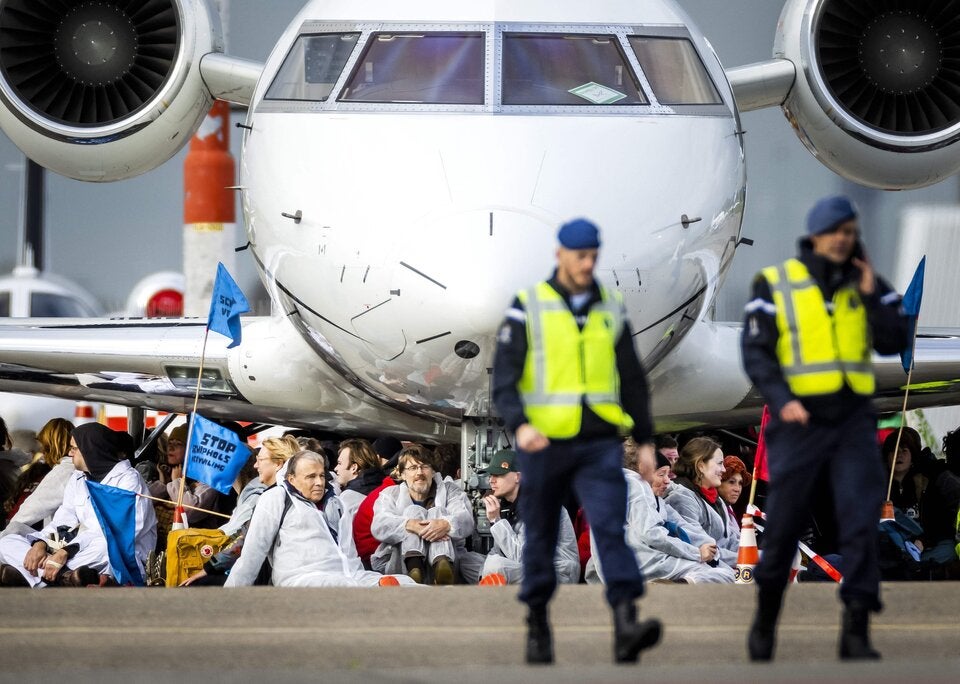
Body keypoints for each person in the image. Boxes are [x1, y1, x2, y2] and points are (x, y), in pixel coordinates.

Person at [740, 195, 910, 661]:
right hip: (800, 424)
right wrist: (781, 399)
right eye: (834, 231)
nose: (842, 239)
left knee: (860, 528)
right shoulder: (775, 283)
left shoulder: (866, 282)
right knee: (786, 528)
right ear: (815, 236)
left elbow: (896, 338)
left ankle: (855, 632)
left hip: (852, 422)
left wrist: (875, 291)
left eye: (849, 231)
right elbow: (756, 353)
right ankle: (765, 623)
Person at [492, 217, 661, 664]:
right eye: (579, 256)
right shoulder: (528, 306)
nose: (587, 265)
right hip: (544, 443)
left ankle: (627, 623)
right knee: (542, 534)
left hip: (598, 442)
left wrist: (645, 439)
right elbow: (505, 381)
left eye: (593, 256)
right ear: (560, 254)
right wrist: (520, 424)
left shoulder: (611, 306)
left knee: (610, 527)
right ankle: (537, 625)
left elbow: (631, 377)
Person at [224, 450, 413, 587]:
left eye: (322, 475)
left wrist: (372, 581)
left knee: (407, 584)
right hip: (302, 580)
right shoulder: (276, 499)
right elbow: (252, 555)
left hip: (348, 576)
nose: (319, 482)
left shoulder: (337, 504)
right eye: (311, 477)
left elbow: (350, 555)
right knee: (345, 586)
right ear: (291, 479)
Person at [0, 423, 156, 587]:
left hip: (116, 548)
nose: (69, 453)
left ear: (91, 450)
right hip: (73, 549)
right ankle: (63, 577)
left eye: (74, 448)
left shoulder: (128, 480)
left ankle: (39, 576)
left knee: (107, 549)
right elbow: (63, 521)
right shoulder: (78, 477)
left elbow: (114, 532)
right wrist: (40, 544)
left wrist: (65, 552)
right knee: (7, 541)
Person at [179, 435, 299, 586]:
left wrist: (209, 568)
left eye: (260, 460)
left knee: (197, 585)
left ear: (278, 464)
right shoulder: (280, 494)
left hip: (271, 576)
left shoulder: (273, 497)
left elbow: (246, 541)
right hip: (275, 574)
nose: (256, 466)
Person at [462, 449, 578, 585]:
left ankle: (490, 595)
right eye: (491, 475)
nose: (491, 480)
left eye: (498, 475)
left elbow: (522, 556)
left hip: (556, 572)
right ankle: (489, 583)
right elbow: (498, 551)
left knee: (495, 565)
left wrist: (496, 520)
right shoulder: (507, 504)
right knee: (466, 561)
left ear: (518, 477)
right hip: (525, 568)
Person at [370, 445, 473, 584]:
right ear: (402, 474)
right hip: (400, 565)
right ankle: (414, 568)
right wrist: (409, 525)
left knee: (438, 513)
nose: (419, 472)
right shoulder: (390, 495)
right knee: (412, 512)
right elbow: (379, 525)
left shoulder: (451, 491)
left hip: (451, 562)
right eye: (412, 468)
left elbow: (466, 519)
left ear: (432, 471)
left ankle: (441, 567)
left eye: (424, 466)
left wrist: (446, 525)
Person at [663, 437, 739, 567]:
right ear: (701, 466)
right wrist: (750, 560)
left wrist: (759, 554)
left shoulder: (717, 499)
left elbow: (731, 541)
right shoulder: (680, 498)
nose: (724, 470)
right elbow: (703, 548)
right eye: (720, 463)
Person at [2, 418, 76, 538]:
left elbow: (33, 508)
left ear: (51, 446)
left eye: (44, 447)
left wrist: (5, 535)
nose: (42, 452)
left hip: (51, 538)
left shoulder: (62, 472)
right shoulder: (75, 469)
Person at [335, 438, 386, 517]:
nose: (336, 468)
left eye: (339, 463)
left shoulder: (347, 499)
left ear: (354, 468)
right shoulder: (386, 487)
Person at [719, 455, 751, 529]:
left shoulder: (728, 507)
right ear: (719, 481)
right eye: (731, 482)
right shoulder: (713, 509)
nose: (737, 489)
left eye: (740, 483)